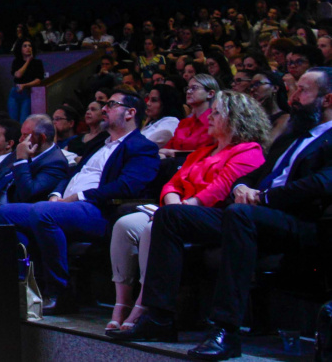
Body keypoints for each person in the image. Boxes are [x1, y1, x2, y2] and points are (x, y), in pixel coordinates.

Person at [109, 68, 332, 361]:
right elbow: (258, 174)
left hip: (297, 220)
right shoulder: (294, 135)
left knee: (239, 214)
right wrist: (242, 186)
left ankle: (226, 330)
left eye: (303, 91)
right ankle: (160, 318)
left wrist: (264, 196)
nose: (293, 97)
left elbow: (321, 183)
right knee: (170, 216)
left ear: (327, 99)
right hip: (256, 211)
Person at [105, 91, 270, 332]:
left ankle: (144, 305)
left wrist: (181, 209)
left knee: (154, 226)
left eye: (216, 113)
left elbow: (221, 189)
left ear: (238, 118)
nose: (209, 117)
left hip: (213, 216)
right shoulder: (203, 151)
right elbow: (173, 183)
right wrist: (173, 205)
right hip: (177, 210)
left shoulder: (248, 151)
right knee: (125, 225)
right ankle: (121, 303)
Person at [0, 91, 159, 313]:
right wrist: (56, 194)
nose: (104, 109)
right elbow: (70, 175)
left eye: (111, 104)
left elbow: (128, 186)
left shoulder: (142, 146)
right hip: (68, 204)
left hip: (99, 210)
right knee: (6, 213)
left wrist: (78, 197)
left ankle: (60, 292)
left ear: (130, 113)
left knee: (43, 213)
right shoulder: (99, 143)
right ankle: (29, 283)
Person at [160, 74, 220, 158]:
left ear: (210, 93)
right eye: (188, 88)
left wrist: (172, 153)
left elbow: (209, 153)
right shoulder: (184, 123)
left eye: (194, 88)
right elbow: (166, 148)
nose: (188, 91)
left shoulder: (215, 122)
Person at [8, 39, 45, 122]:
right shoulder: (16, 62)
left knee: (23, 120)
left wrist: (24, 85)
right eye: (25, 46)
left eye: (30, 46)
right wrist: (28, 61)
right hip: (15, 92)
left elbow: (38, 80)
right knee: (13, 120)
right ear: (20, 49)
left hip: (28, 93)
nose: (28, 48)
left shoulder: (37, 63)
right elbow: (18, 75)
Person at [249, 71, 290, 144]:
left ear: (275, 88)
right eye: (251, 86)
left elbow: (266, 145)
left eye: (257, 84)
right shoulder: (252, 117)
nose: (252, 89)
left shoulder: (285, 118)